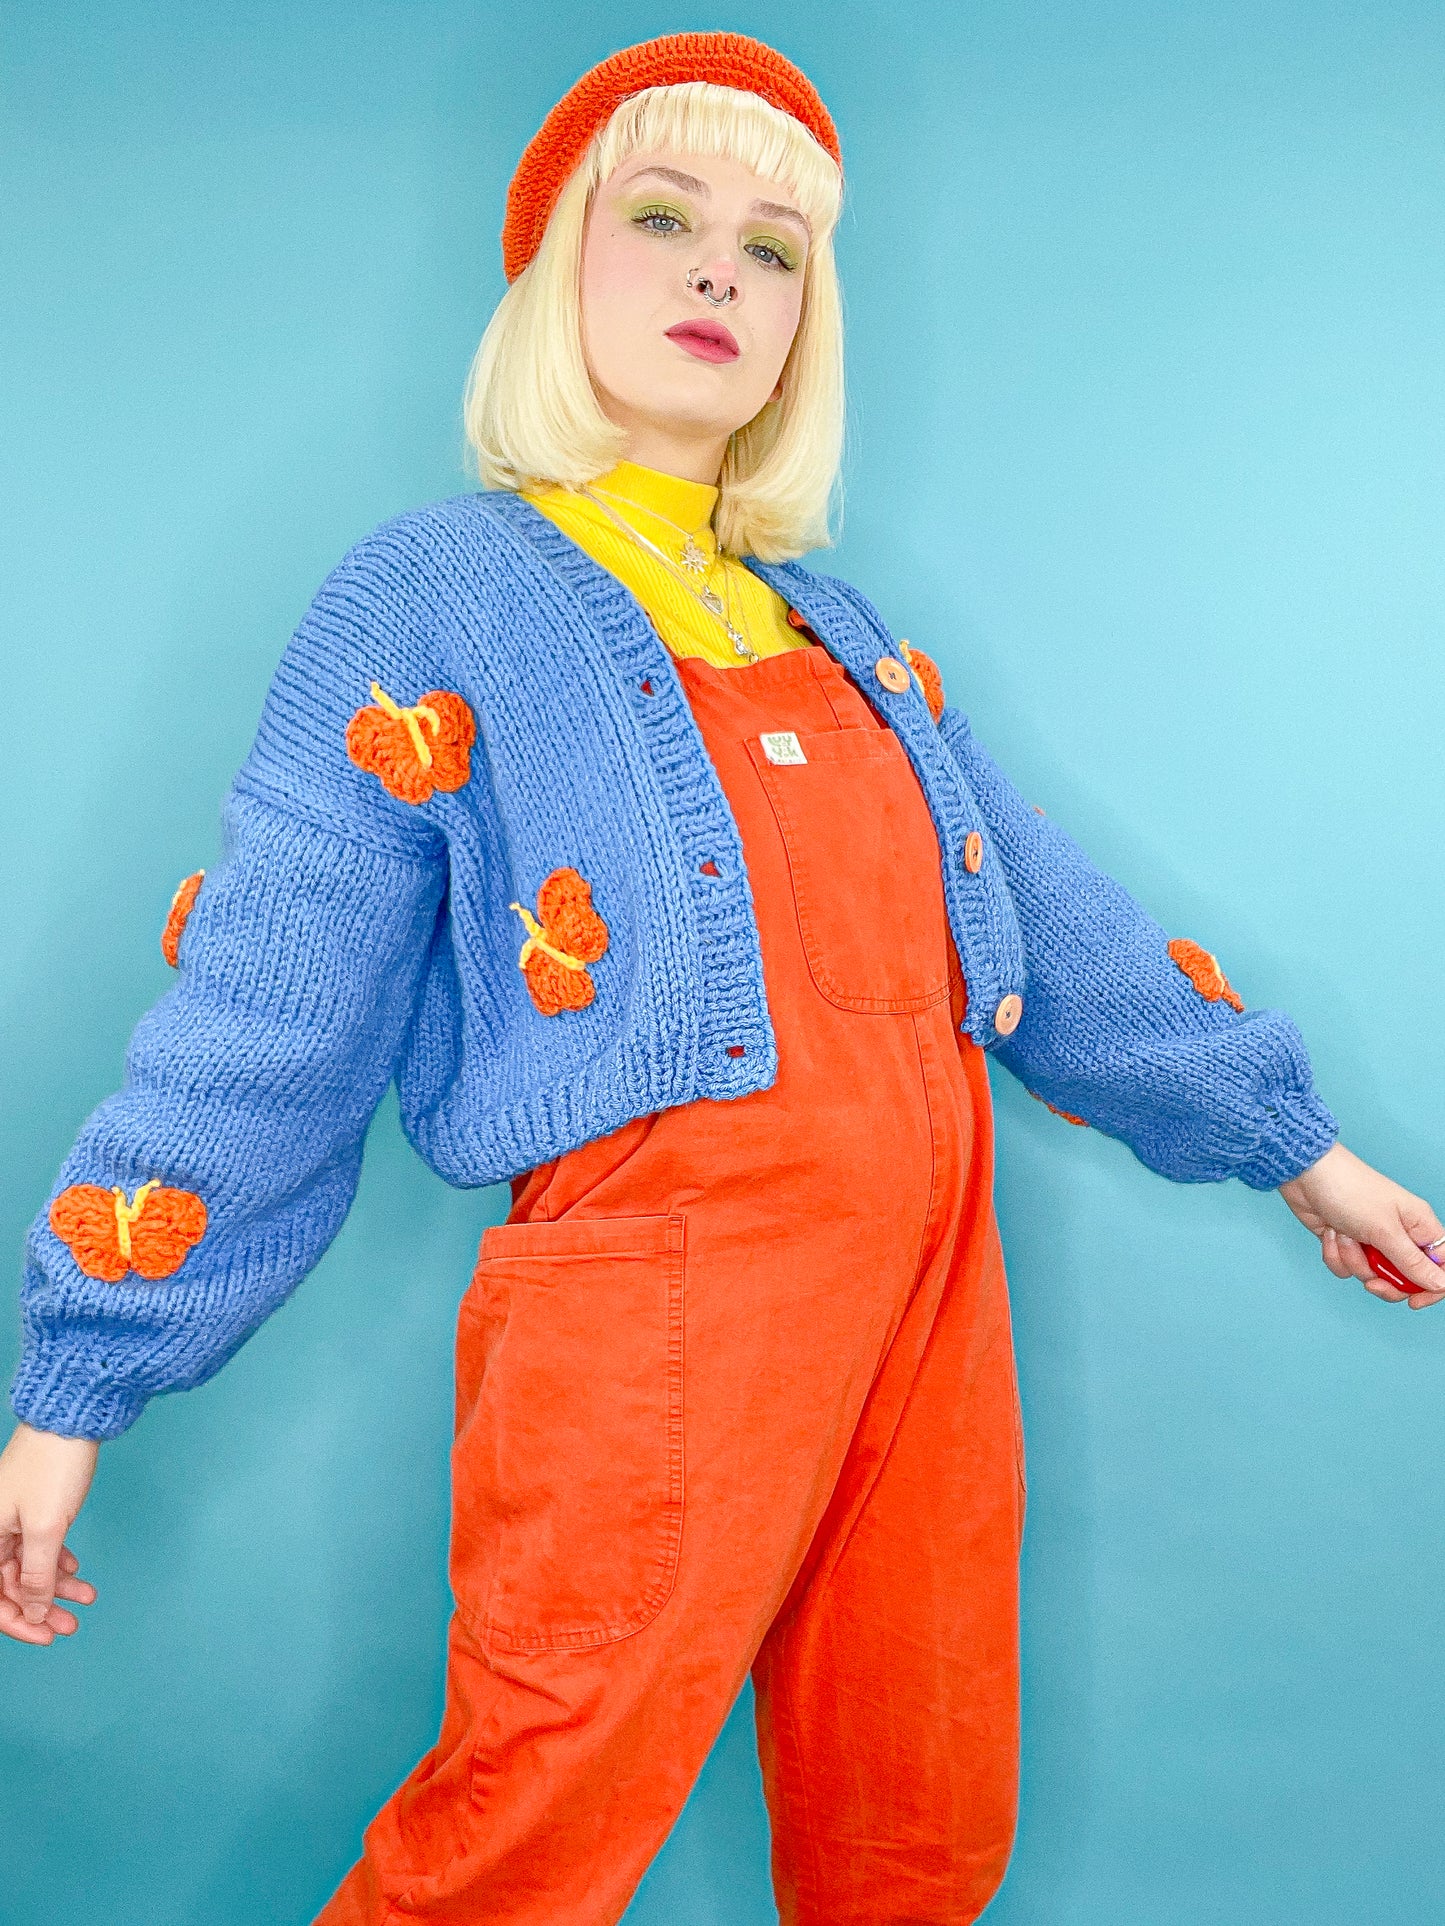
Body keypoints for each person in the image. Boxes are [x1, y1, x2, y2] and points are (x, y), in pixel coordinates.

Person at [2, 28, 1441, 1926]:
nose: (716, 272)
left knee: (916, 1811)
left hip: (928, 1304)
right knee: (538, 1806)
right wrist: (77, 1379)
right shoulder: (438, 595)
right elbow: (269, 1013)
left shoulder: (840, 633)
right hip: (654, 1309)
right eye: (663, 215)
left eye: (773, 250)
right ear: (552, 273)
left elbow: (1049, 926)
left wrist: (1299, 1151)